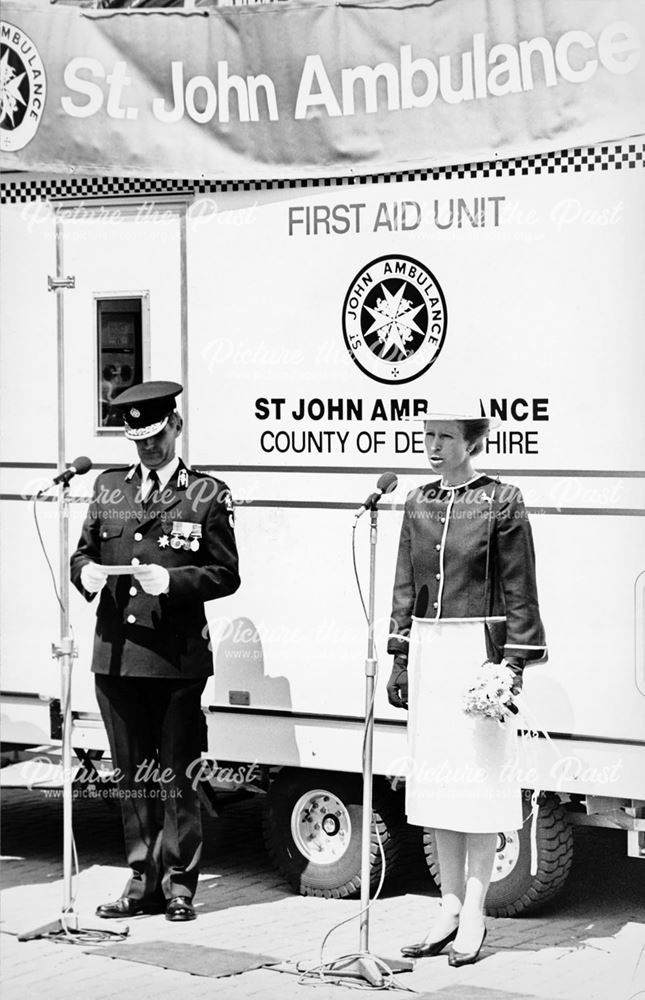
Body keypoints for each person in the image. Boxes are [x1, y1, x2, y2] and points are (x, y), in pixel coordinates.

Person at [70, 380, 240, 922]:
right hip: (117, 654)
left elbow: (226, 573)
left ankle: (179, 886)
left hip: (175, 658)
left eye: (156, 436)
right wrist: (87, 573)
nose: (147, 448)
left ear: (176, 427)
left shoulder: (206, 494)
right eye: (138, 439)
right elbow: (83, 552)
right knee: (131, 774)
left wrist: (175, 583)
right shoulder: (109, 487)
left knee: (177, 774)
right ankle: (141, 879)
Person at [386, 404, 546, 965]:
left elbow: (520, 585)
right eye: (426, 435)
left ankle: (475, 909)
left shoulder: (502, 500)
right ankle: (447, 907)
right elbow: (404, 584)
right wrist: (400, 655)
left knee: (478, 785)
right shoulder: (417, 501)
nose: (431, 445)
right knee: (437, 786)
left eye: (445, 437)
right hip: (430, 650)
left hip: (480, 653)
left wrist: (513, 665)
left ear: (471, 442)